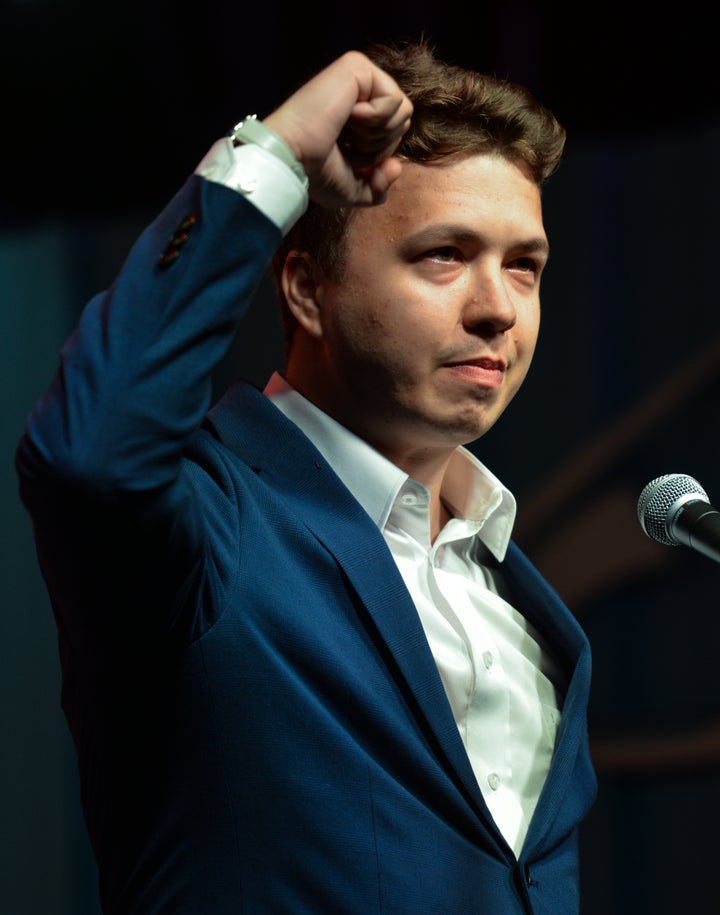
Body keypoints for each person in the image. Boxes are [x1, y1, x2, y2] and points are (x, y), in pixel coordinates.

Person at [16, 39, 597, 915]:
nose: (498, 308)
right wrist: (276, 157)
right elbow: (90, 452)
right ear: (304, 288)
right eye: (444, 253)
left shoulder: (527, 607)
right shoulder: (214, 525)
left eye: (525, 265)